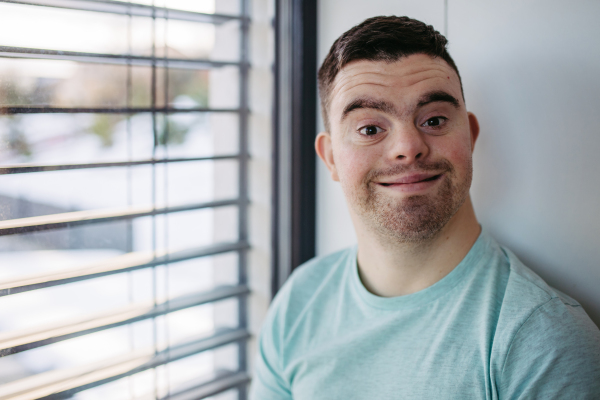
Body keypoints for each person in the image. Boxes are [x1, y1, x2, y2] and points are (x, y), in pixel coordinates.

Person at [250, 16, 600, 399]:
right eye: (370, 129)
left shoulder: (543, 339)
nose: (408, 146)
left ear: (470, 137)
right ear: (330, 158)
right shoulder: (299, 302)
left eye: (433, 119)